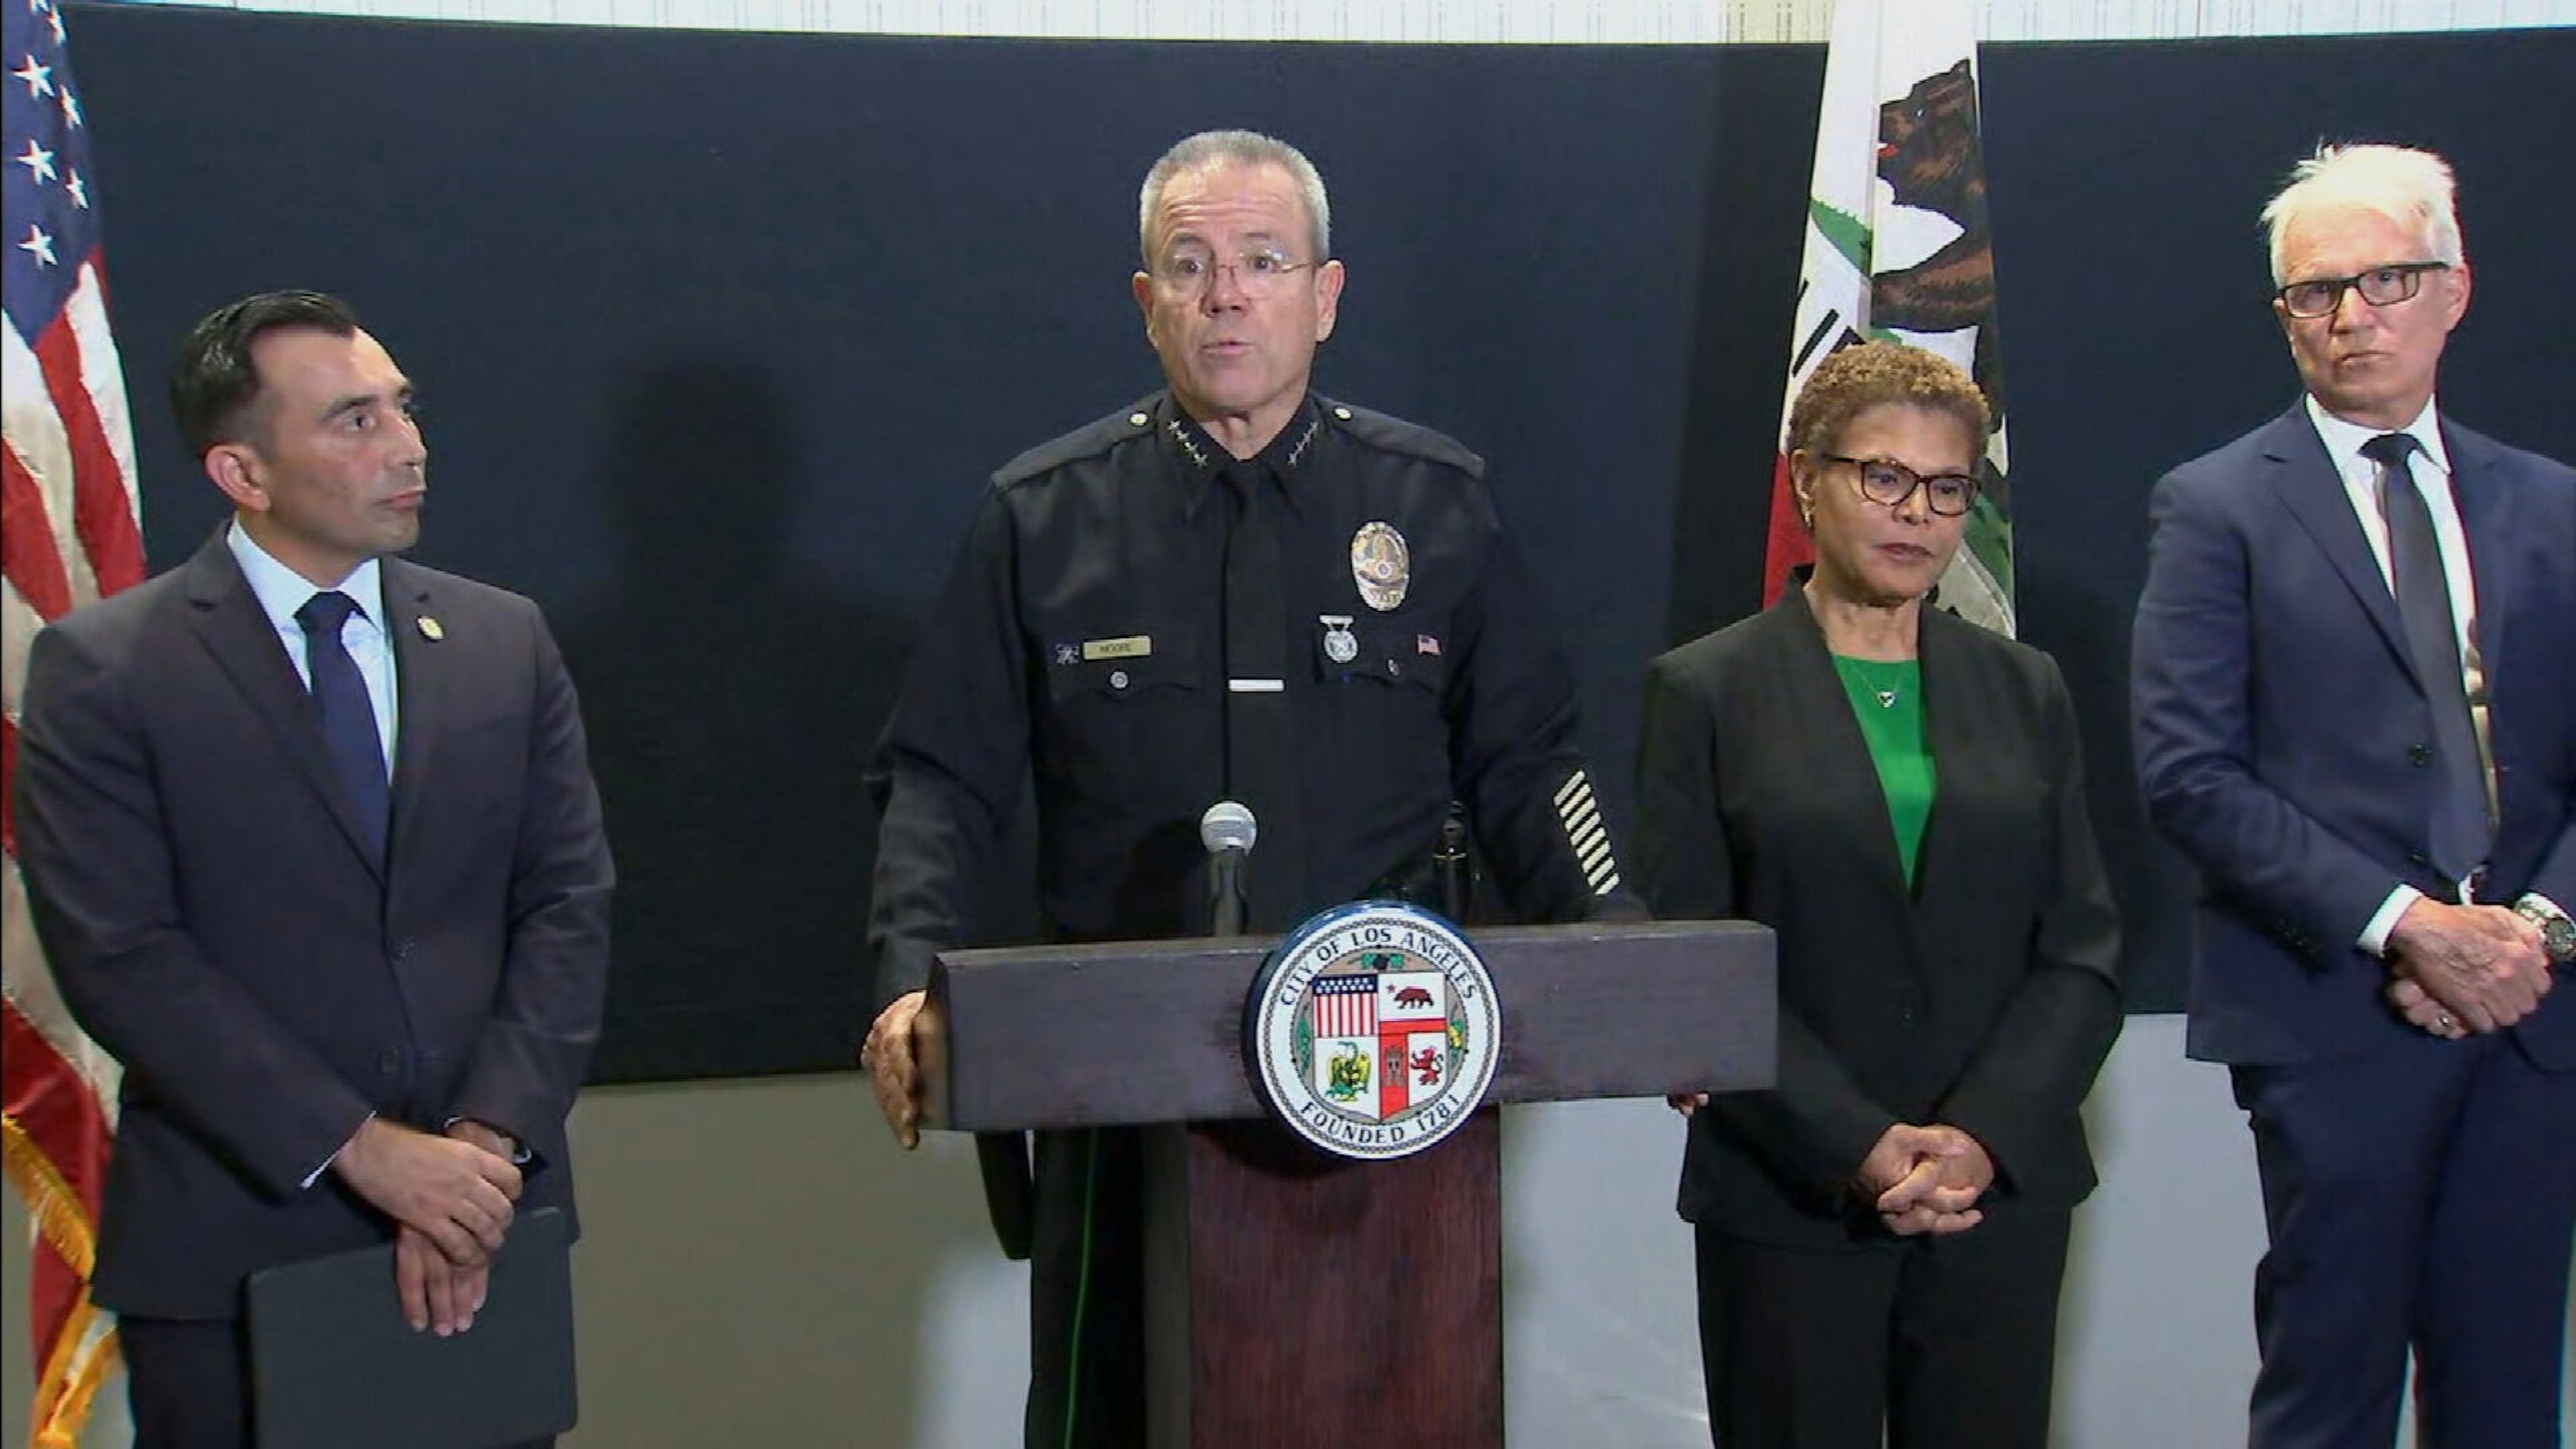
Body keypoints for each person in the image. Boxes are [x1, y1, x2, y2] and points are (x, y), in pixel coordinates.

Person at [858, 128, 1638, 1447]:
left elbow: (1532, 764)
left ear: (1324, 297)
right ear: (1146, 300)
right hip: (1126, 1077)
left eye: (1263, 262)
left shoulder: (1437, 505)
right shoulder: (1040, 518)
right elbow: (939, 779)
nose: (1227, 294)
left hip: (1388, 1064)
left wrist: (1624, 955)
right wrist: (903, 980)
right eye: (1191, 263)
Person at [14, 290, 615, 1449]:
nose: (407, 445)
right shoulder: (108, 671)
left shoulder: (503, 641)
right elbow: (123, 956)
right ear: (242, 472)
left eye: (402, 407)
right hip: (238, 1251)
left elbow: (566, 904)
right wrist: (365, 1151)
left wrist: (482, 1155)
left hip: (483, 1236)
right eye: (353, 420)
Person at [2132, 142, 2574, 1446]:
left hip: (2533, 1020)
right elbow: (2188, 774)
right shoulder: (2215, 507)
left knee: (2506, 1400)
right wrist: (2415, 929)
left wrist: (2529, 937)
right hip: (2333, 1017)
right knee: (2330, 1395)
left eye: (2385, 280)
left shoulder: (2554, 507)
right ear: (2284, 316)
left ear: (2454, 290)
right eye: (2316, 293)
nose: (2349, 317)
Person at [1635, 341, 2122, 1448]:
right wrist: (1858, 1141)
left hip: (1995, 1195)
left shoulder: (2025, 686)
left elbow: (2083, 950)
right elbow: (1697, 961)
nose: (1917, 513)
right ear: (1808, 479)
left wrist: (1982, 1138)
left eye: (1947, 488)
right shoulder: (1705, 690)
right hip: (1792, 1195)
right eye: (1882, 478)